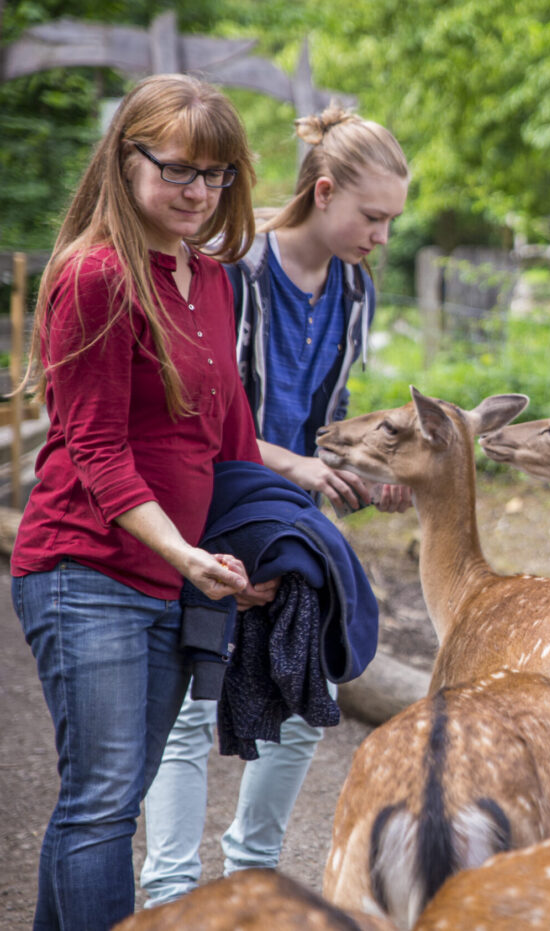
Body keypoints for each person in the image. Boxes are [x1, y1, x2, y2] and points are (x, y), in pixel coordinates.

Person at [140, 105, 412, 907]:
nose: (382, 237)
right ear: (322, 192)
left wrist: (365, 472)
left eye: (393, 221)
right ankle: (170, 897)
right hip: (213, 503)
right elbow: (204, 419)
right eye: (372, 217)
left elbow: (328, 416)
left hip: (297, 519)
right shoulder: (233, 272)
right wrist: (296, 466)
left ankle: (251, 880)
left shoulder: (354, 291)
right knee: (195, 703)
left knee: (305, 695)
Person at [10, 73, 262, 931]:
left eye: (218, 174)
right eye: (180, 170)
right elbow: (97, 448)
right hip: (87, 568)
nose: (200, 192)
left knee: (106, 800)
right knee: (105, 802)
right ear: (127, 158)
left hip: (169, 575)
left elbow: (228, 436)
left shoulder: (214, 277)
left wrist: (272, 528)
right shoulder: (94, 274)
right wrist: (182, 552)